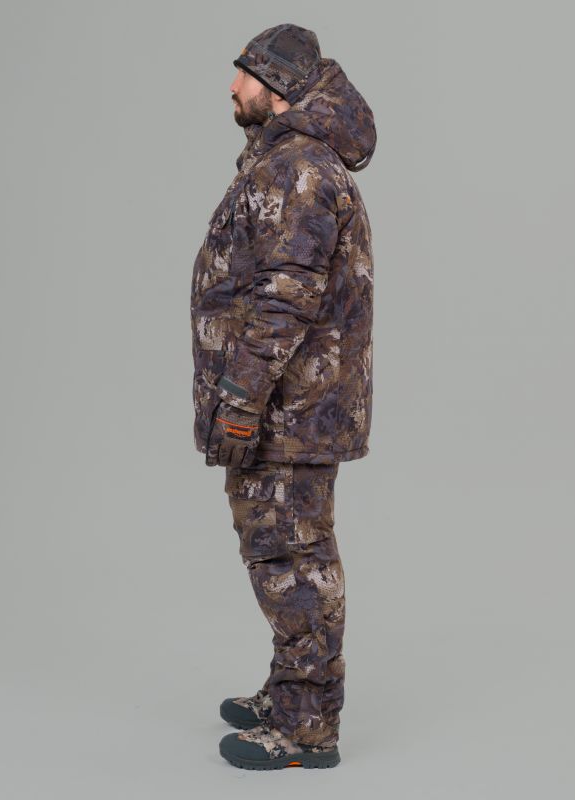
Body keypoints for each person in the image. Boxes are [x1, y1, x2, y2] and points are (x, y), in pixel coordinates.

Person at [190, 22, 376, 770]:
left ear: (279, 88)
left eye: (245, 74)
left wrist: (239, 402)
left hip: (287, 410)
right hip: (289, 406)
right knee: (281, 551)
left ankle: (307, 728)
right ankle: (292, 689)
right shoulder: (286, 159)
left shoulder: (298, 170)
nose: (233, 86)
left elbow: (283, 299)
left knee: (292, 556)